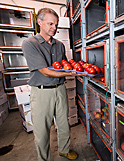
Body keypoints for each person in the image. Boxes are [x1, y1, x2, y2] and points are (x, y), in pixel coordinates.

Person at [22, 8, 85, 161]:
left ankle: (64, 150)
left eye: (56, 25)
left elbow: (64, 65)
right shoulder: (30, 43)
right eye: (50, 24)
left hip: (60, 89)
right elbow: (44, 71)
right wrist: (71, 74)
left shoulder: (59, 45)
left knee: (64, 123)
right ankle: (44, 159)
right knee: (42, 131)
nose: (54, 28)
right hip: (42, 92)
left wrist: (75, 67)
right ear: (39, 22)